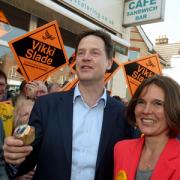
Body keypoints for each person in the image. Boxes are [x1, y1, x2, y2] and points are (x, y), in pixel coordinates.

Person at [3, 30, 132, 180]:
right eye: (81, 53)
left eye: (94, 53)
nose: (86, 58)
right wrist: (14, 156)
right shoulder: (46, 106)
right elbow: (26, 160)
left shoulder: (123, 115)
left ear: (109, 62)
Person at [114, 75, 180, 180]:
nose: (146, 110)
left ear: (173, 108)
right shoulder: (121, 149)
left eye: (157, 104)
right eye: (141, 102)